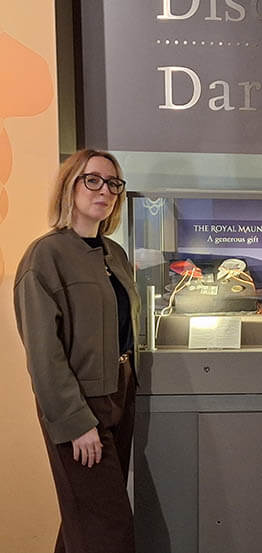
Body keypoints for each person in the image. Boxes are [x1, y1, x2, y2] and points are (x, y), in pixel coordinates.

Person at [14, 149, 140, 553]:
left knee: (84, 522)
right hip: (81, 408)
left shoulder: (113, 254)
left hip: (120, 396)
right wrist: (75, 423)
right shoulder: (46, 255)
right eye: (93, 179)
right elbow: (42, 352)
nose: (105, 191)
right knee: (108, 528)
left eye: (113, 184)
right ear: (69, 185)